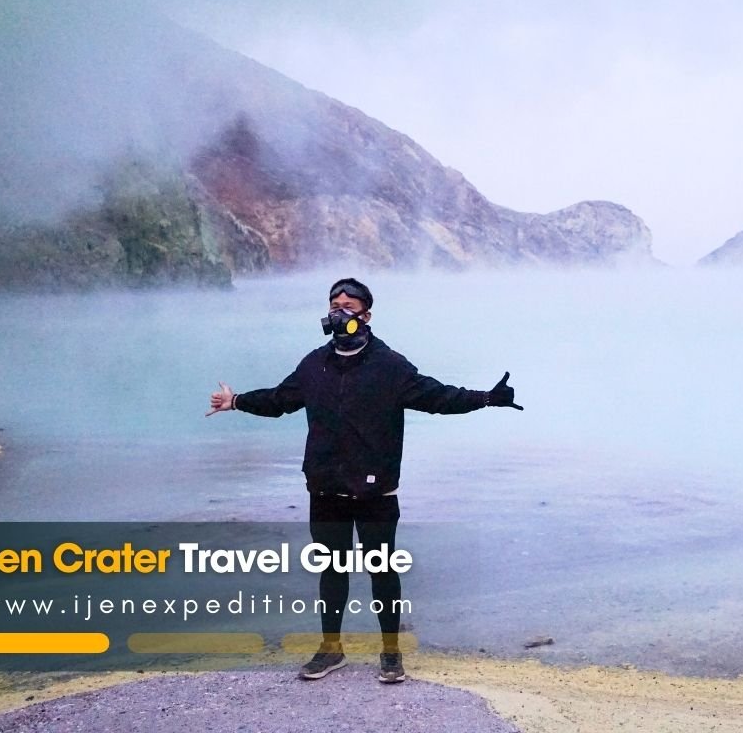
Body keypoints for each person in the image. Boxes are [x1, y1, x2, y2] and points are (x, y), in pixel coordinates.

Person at [205, 277, 521, 683]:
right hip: (326, 486)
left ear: (366, 315)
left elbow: (437, 397)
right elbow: (280, 400)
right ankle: (331, 649)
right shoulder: (314, 364)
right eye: (335, 303)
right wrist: (236, 401)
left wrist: (487, 398)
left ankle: (391, 652)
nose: (340, 310)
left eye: (349, 305)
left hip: (376, 489)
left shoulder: (389, 366)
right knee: (332, 571)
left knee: (382, 570)